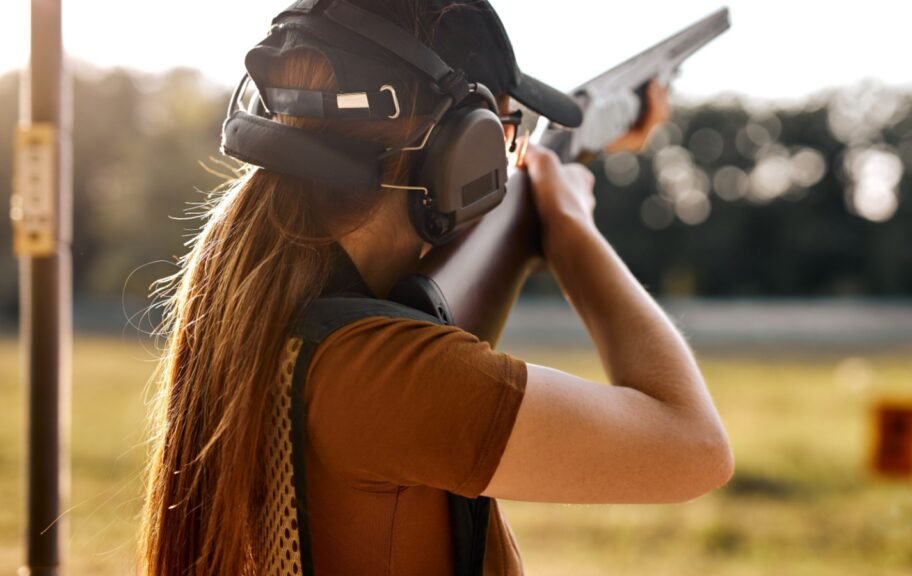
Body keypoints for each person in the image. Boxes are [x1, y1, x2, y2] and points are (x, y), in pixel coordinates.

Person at [139, 1, 732, 575]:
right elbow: (696, 447)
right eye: (503, 135)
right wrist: (573, 232)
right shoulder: (384, 376)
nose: (505, 161)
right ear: (462, 149)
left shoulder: (264, 312)